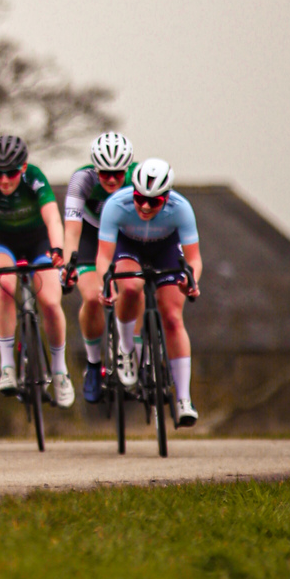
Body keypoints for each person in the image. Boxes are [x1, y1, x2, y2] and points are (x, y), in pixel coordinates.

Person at [92, 155, 203, 427]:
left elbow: (194, 259)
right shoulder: (116, 204)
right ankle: (127, 349)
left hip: (166, 249)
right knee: (130, 287)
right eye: (139, 198)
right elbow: (103, 257)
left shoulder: (182, 208)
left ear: (166, 198)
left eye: (153, 202)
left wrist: (192, 282)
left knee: (173, 318)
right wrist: (105, 283)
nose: (143, 206)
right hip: (129, 246)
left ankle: (183, 399)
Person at [0, 132, 73, 407]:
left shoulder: (35, 177)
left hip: (38, 240)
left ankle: (60, 371)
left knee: (50, 300)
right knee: (4, 286)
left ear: (23, 168)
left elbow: (52, 218)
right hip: (3, 242)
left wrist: (58, 249)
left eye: (11, 173)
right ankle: (7, 367)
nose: (4, 180)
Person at [60, 128, 135, 404]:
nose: (112, 179)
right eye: (105, 173)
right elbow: (71, 231)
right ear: (95, 168)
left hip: (127, 238)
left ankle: (134, 351)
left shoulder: (139, 179)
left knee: (132, 289)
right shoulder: (81, 180)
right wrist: (68, 264)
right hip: (92, 239)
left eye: (119, 173)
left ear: (128, 168)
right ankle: (93, 365)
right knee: (92, 298)